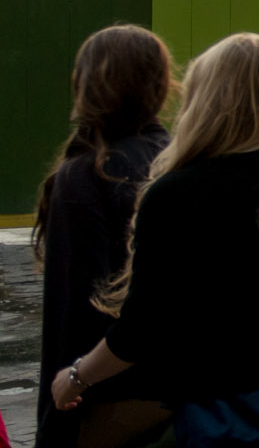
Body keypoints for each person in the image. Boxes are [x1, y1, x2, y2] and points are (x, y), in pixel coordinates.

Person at [50, 33, 259, 448]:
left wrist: (75, 377)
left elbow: (141, 330)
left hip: (217, 414)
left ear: (203, 99)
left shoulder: (177, 192)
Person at [33, 26, 173, 448]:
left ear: (86, 85)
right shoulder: (180, 158)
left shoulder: (87, 176)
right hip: (178, 397)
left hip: (105, 402)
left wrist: (63, 402)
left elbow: (77, 310)